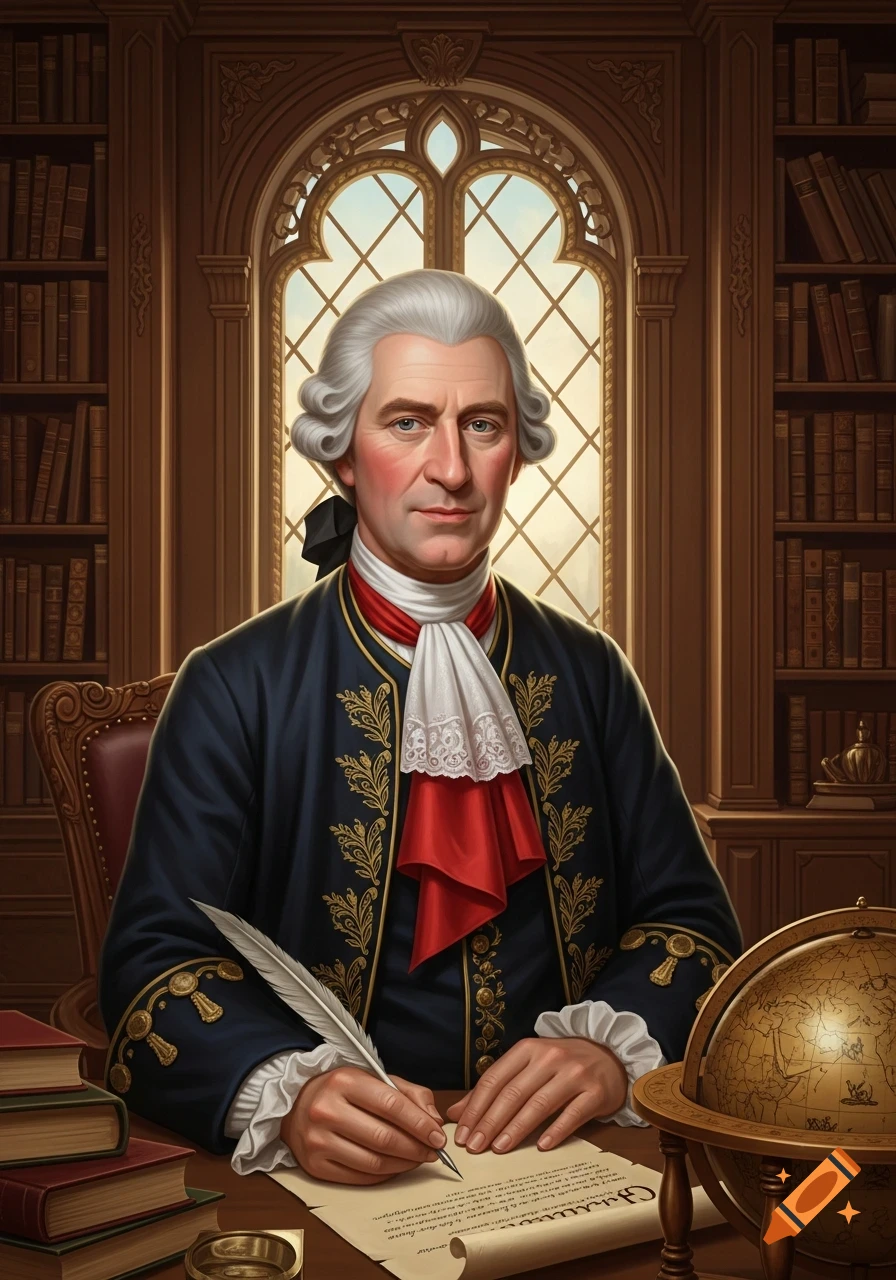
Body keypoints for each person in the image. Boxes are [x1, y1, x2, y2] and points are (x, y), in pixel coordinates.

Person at [99, 269, 741, 1187]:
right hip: (335, 1180)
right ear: (343, 455)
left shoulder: (591, 672)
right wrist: (289, 1091)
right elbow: (152, 965)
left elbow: (694, 927)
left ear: (515, 452)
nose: (450, 467)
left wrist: (606, 1058)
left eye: (482, 424)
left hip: (576, 1162)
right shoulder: (234, 684)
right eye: (407, 422)